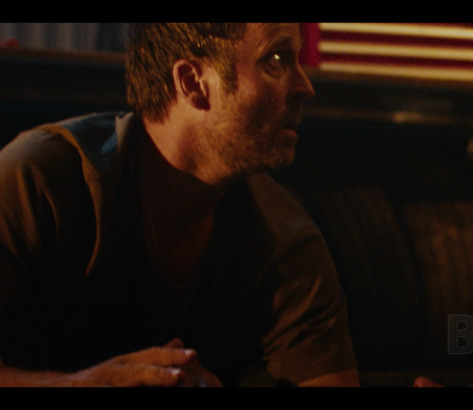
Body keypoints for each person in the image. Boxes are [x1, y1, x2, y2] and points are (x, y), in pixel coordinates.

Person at [0, 23, 360, 387]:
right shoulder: (41, 181)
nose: (305, 87)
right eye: (276, 59)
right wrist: (82, 385)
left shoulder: (284, 239)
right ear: (192, 82)